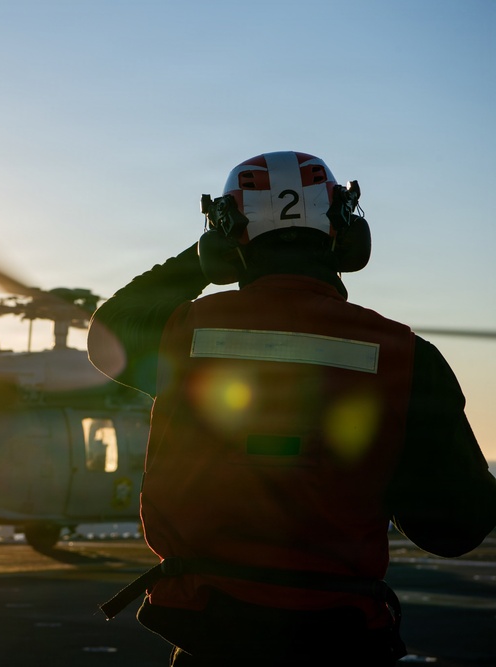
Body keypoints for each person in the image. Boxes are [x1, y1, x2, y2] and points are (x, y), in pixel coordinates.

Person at [88, 151, 496, 665]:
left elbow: (107, 336)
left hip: (211, 631)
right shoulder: (406, 357)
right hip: (342, 636)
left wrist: (194, 262)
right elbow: (455, 529)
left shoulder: (184, 334)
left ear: (227, 237)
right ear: (343, 235)